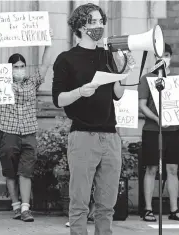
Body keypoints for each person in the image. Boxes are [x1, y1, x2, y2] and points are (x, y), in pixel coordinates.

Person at [52, 3, 135, 235]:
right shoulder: (66, 59)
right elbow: (58, 99)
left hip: (110, 137)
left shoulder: (107, 55)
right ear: (79, 26)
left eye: (101, 21)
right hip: (83, 136)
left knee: (107, 204)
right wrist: (80, 91)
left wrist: (124, 72)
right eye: (93, 22)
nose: (99, 26)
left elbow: (117, 95)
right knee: (79, 203)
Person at [0, 28, 53, 222]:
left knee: (26, 171)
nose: (20, 69)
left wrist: (48, 42)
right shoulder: (2, 81)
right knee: (10, 171)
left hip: (29, 132)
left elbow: (45, 65)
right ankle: (15, 205)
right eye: (16, 66)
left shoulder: (32, 82)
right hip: (9, 131)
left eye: (22, 66)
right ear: (10, 68)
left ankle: (25, 208)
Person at [139, 43, 179, 222]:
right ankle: (147, 209)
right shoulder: (147, 79)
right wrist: (156, 118)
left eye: (167, 54)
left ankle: (174, 209)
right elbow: (142, 105)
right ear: (155, 57)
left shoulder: (178, 79)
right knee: (152, 168)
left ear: (171, 57)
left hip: (174, 130)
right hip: (153, 130)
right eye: (160, 55)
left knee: (173, 169)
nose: (164, 58)